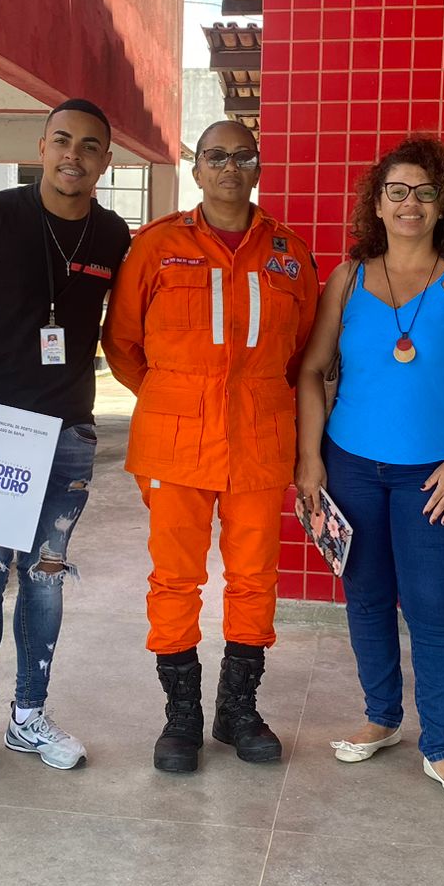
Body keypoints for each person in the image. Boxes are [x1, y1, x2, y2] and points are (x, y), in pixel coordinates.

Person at [0, 99, 132, 782]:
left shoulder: (112, 234)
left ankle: (28, 715)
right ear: (42, 147)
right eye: (62, 140)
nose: (75, 155)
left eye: (90, 146)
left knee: (45, 577)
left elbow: (127, 329)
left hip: (68, 433)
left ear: (106, 160)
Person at [102, 121, 319, 773]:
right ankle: (182, 716)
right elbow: (122, 343)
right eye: (215, 156)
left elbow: (302, 350)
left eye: (242, 156)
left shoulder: (288, 252)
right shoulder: (157, 246)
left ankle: (237, 710)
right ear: (196, 170)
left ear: (258, 169)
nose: (229, 167)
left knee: (254, 578)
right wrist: (174, 396)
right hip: (174, 445)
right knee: (175, 578)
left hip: (260, 441)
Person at [295, 136, 444, 810]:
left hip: (433, 476)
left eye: (425, 192)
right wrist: (310, 458)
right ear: (377, 205)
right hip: (351, 466)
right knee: (366, 597)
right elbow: (313, 371)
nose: (411, 203)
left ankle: (440, 746)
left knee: (434, 608)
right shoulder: (347, 279)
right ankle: (382, 716)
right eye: (397, 191)